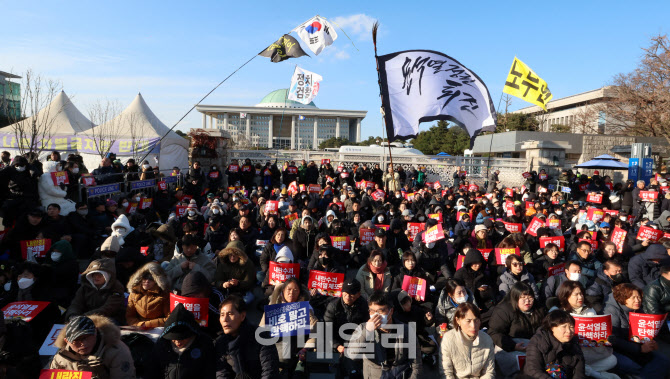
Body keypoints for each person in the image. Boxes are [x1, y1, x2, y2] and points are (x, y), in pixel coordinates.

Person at [348, 290, 422, 378]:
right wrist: (367, 332)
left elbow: (416, 364)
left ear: (391, 311)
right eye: (372, 311)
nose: (376, 316)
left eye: (380, 311)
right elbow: (352, 354)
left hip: (400, 374)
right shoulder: (362, 328)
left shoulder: (406, 330)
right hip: (375, 375)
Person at [605, 283, 670, 377]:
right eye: (633, 297)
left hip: (636, 346)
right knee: (635, 367)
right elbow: (614, 339)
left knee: (664, 361)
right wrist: (639, 349)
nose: (637, 300)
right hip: (618, 350)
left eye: (639, 297)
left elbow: (644, 331)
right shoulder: (611, 311)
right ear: (623, 298)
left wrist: (651, 342)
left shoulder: (638, 309)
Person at [487, 282, 546, 377]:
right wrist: (513, 346)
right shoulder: (504, 310)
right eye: (523, 298)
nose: (527, 301)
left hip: (534, 346)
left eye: (530, 298)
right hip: (510, 347)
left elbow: (544, 329)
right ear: (515, 298)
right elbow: (494, 332)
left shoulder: (539, 309)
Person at [215, 294, 280, 378]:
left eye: (230, 314)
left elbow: (269, 370)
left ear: (242, 316)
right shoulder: (221, 343)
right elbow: (222, 374)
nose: (225, 319)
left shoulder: (261, 335)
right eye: (222, 315)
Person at [50, 315, 136, 378]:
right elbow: (51, 376)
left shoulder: (117, 352)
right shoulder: (61, 356)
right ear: (67, 341)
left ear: (95, 332)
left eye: (86, 338)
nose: (83, 344)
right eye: (76, 340)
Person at [147, 303, 216, 379]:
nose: (178, 342)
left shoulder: (204, 344)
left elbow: (210, 373)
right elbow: (152, 372)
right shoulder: (162, 344)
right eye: (173, 339)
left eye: (182, 338)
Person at [520, 310, 586, 379]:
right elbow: (533, 370)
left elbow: (579, 373)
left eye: (571, 327)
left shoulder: (575, 344)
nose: (569, 331)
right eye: (564, 327)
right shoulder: (538, 341)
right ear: (552, 328)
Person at [324, 279, 369, 378]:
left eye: (352, 294)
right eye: (345, 293)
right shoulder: (333, 306)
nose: (348, 297)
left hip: (356, 341)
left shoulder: (363, 305)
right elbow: (326, 331)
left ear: (358, 294)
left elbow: (366, 327)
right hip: (337, 342)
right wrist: (337, 345)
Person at [440, 303, 495, 378]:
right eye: (468, 321)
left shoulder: (487, 339)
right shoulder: (448, 339)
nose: (473, 326)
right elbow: (446, 372)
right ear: (458, 320)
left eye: (476, 320)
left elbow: (489, 372)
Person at [65, 258, 126, 325]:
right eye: (94, 274)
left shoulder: (116, 288)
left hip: (110, 319)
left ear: (108, 276)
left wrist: (84, 317)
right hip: (84, 319)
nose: (96, 277)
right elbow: (76, 304)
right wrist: (72, 315)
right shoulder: (84, 288)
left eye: (100, 274)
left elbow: (108, 309)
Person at [125, 262, 171, 327]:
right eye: (145, 277)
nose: (147, 281)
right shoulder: (134, 293)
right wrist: (139, 325)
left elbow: (169, 318)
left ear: (157, 281)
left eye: (151, 278)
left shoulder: (164, 294)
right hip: (137, 327)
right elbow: (130, 316)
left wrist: (147, 325)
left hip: (157, 328)